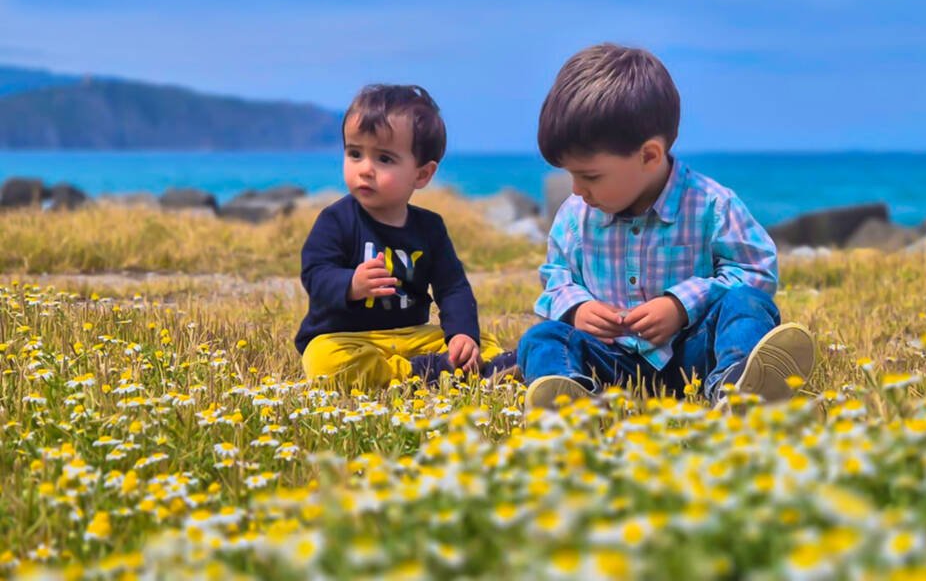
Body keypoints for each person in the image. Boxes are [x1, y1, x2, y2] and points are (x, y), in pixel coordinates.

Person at [518, 44, 815, 412]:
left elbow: (757, 271)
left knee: (747, 305)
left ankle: (737, 387)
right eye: (570, 175)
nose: (577, 189)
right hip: (612, 362)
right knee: (542, 338)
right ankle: (572, 402)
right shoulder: (575, 215)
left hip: (693, 356)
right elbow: (556, 276)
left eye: (589, 176)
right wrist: (577, 308)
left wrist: (681, 305)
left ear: (648, 156)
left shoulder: (711, 204)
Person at [295, 84, 516, 389]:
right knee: (322, 360)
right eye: (355, 153)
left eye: (384, 159)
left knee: (480, 340)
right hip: (349, 338)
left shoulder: (430, 228)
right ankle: (427, 372)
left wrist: (462, 334)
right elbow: (315, 275)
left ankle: (472, 364)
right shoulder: (336, 220)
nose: (365, 169)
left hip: (413, 335)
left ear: (422, 174)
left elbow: (453, 288)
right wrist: (350, 285)